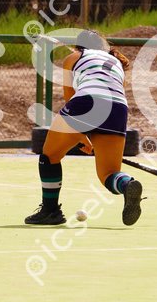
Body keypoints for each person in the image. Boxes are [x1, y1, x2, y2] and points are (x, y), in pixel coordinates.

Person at [25, 29, 144, 226]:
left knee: (50, 156)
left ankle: (50, 212)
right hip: (118, 108)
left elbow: (70, 97)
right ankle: (126, 184)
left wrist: (81, 135)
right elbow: (111, 93)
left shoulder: (73, 57)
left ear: (79, 45)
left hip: (86, 101)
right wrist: (89, 135)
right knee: (108, 173)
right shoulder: (116, 62)